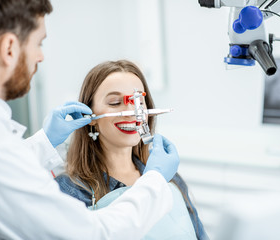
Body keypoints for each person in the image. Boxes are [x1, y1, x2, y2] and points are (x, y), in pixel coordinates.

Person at [0, 1, 180, 239]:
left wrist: (45, 142)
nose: (40, 57)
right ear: (9, 48)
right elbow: (93, 234)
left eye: (138, 102)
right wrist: (156, 180)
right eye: (39, 43)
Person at [55, 60, 210, 240]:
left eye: (139, 101)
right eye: (115, 102)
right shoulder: (69, 191)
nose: (132, 112)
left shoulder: (169, 178)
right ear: (90, 117)